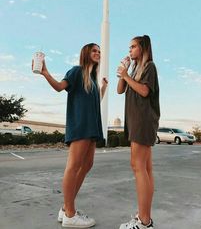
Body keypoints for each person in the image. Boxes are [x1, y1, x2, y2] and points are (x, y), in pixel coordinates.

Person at [37, 43, 108, 228]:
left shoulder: (91, 79)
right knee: (74, 166)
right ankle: (70, 214)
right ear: (86, 53)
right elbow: (60, 87)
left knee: (87, 164)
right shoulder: (77, 71)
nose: (98, 53)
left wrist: (102, 89)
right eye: (94, 50)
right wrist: (45, 73)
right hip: (80, 126)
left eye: (99, 51)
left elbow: (92, 102)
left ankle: (65, 208)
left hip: (92, 128)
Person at [117, 35, 160, 229]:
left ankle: (144, 221)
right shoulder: (134, 69)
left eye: (133, 47)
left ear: (143, 48)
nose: (130, 50)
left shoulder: (149, 66)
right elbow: (120, 90)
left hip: (143, 121)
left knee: (138, 167)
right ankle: (145, 216)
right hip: (136, 121)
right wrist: (123, 73)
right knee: (145, 169)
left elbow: (144, 91)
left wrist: (127, 76)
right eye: (129, 48)